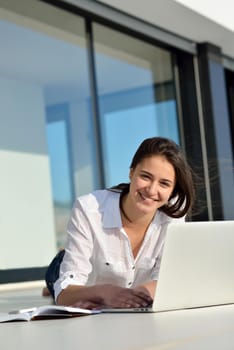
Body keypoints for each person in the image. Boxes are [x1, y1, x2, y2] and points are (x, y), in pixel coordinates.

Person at [46, 137, 195, 309]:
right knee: (56, 276)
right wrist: (106, 292)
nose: (152, 190)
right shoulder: (89, 208)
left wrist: (133, 295)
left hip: (128, 293)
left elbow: (168, 278)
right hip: (76, 278)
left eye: (164, 183)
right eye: (145, 177)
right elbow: (65, 292)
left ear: (172, 190)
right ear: (131, 172)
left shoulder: (174, 215)